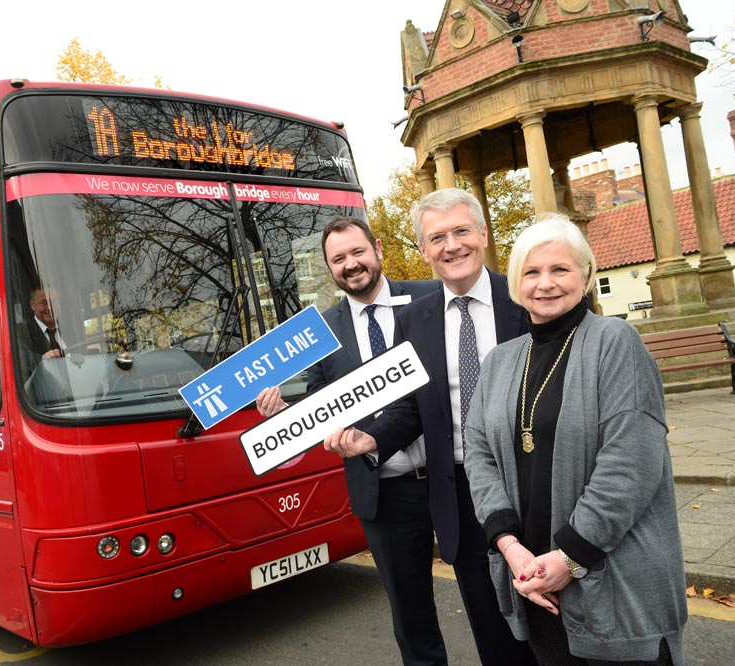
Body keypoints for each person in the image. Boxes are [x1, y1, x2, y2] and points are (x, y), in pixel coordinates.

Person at [323, 189, 537, 666]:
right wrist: (371, 439)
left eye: (461, 231)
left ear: (483, 234)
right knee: (492, 628)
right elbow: (411, 408)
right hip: (460, 494)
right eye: (436, 237)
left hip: (534, 483)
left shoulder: (526, 296)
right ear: (423, 249)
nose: (451, 245)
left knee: (552, 624)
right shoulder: (416, 319)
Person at [463, 215, 686, 665]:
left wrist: (569, 556)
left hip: (611, 583)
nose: (545, 283)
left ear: (585, 274)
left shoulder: (616, 341)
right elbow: (478, 451)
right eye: (531, 271)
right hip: (534, 580)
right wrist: (509, 545)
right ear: (515, 282)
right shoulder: (500, 362)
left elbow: (632, 463)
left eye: (560, 269)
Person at [256, 216, 442, 665]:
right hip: (385, 494)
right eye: (337, 259)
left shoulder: (430, 297)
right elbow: (319, 410)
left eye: (357, 252)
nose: (351, 264)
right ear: (329, 268)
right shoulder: (321, 331)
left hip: (453, 476)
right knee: (412, 620)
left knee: (490, 598)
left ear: (377, 248)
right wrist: (284, 419)